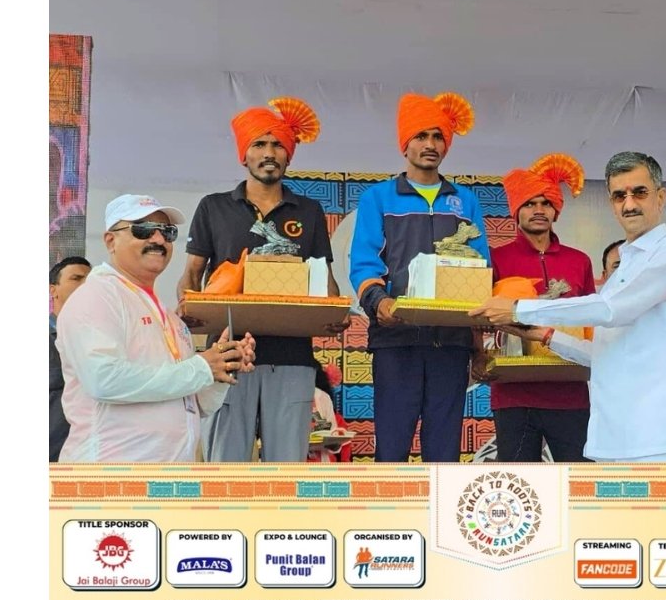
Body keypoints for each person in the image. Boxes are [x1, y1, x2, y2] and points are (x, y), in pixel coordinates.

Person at [472, 151, 666, 462]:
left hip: (656, 437)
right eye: (619, 196)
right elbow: (602, 353)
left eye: (639, 192)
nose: (629, 204)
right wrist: (544, 335)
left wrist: (517, 309)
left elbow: (609, 309)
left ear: (660, 198)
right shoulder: (622, 270)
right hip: (611, 438)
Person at [178, 97, 340, 462]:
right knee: (226, 466)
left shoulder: (309, 211)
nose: (269, 153)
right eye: (259, 144)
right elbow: (191, 275)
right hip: (229, 356)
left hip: (293, 356)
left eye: (278, 144)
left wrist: (334, 314)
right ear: (244, 155)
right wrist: (189, 311)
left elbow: (325, 281)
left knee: (287, 468)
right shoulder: (214, 207)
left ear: (288, 155)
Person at [57, 194, 256, 462]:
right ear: (111, 241)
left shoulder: (170, 318)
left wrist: (220, 370)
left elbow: (195, 405)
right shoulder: (97, 296)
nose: (159, 240)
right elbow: (103, 380)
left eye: (167, 232)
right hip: (113, 475)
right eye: (144, 230)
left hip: (167, 477)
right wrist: (201, 367)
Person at [349, 91, 489, 463]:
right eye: (421, 136)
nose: (430, 144)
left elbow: (480, 267)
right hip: (396, 341)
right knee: (392, 449)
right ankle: (388, 506)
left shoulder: (466, 201)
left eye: (438, 136)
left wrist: (477, 344)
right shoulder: (378, 198)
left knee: (444, 452)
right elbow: (363, 263)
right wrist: (379, 302)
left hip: (451, 343)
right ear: (405, 144)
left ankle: (439, 505)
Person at [489, 154, 595, 462]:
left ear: (556, 211)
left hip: (570, 393)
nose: (538, 210)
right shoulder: (497, 258)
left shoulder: (579, 261)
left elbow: (593, 322)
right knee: (520, 484)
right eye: (530, 203)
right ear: (516, 211)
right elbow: (484, 319)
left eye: (546, 203)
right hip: (514, 394)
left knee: (578, 482)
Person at [50, 256, 91, 462]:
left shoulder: (99, 339)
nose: (85, 285)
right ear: (53, 290)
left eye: (90, 280)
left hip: (88, 455)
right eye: (76, 278)